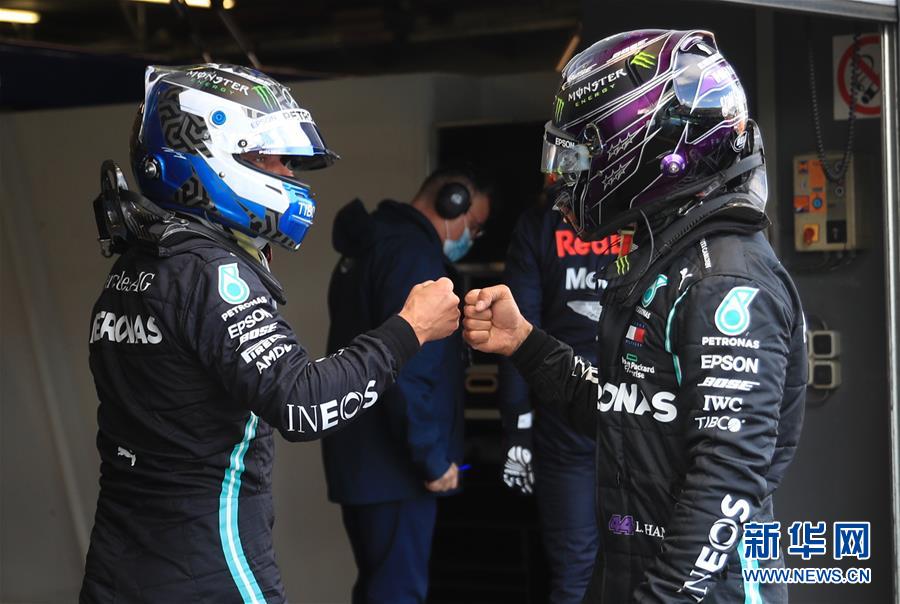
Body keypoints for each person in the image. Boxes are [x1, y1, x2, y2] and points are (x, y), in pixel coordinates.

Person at [79, 63, 461, 604]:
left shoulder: (136, 263)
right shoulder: (212, 274)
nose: (287, 173)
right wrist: (411, 329)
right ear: (207, 154)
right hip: (207, 566)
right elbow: (303, 403)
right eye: (268, 157)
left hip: (118, 566)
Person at [463, 29, 807, 603]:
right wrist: (524, 342)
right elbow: (625, 413)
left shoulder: (724, 281)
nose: (566, 177)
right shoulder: (670, 260)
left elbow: (728, 479)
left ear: (644, 149)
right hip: (631, 571)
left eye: (579, 156)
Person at [322, 168, 491, 604]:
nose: (472, 237)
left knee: (379, 589)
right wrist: (432, 460)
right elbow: (408, 371)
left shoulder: (374, 244)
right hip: (395, 467)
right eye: (473, 225)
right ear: (451, 203)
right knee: (397, 594)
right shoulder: (414, 258)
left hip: (363, 460)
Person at [497, 188, 614, 603]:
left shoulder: (540, 224)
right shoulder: (647, 211)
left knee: (576, 573)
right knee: (645, 565)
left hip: (565, 409)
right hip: (638, 410)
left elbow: (513, 333)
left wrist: (517, 432)